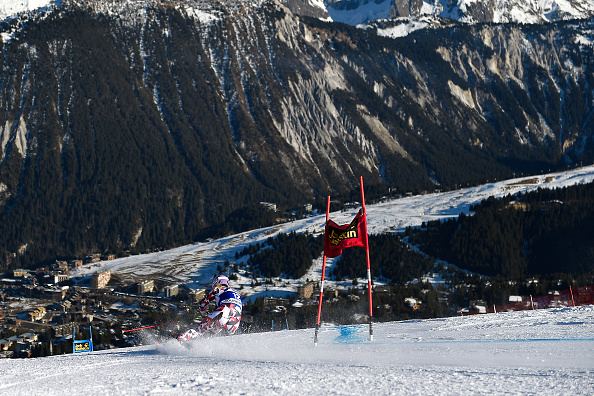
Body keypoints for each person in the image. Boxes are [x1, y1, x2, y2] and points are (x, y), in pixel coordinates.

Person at [178, 275, 242, 342]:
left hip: (223, 313)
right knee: (210, 333)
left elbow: (203, 304)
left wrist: (204, 314)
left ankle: (181, 340)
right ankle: (201, 347)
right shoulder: (237, 293)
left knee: (200, 330)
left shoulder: (218, 289)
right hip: (235, 321)